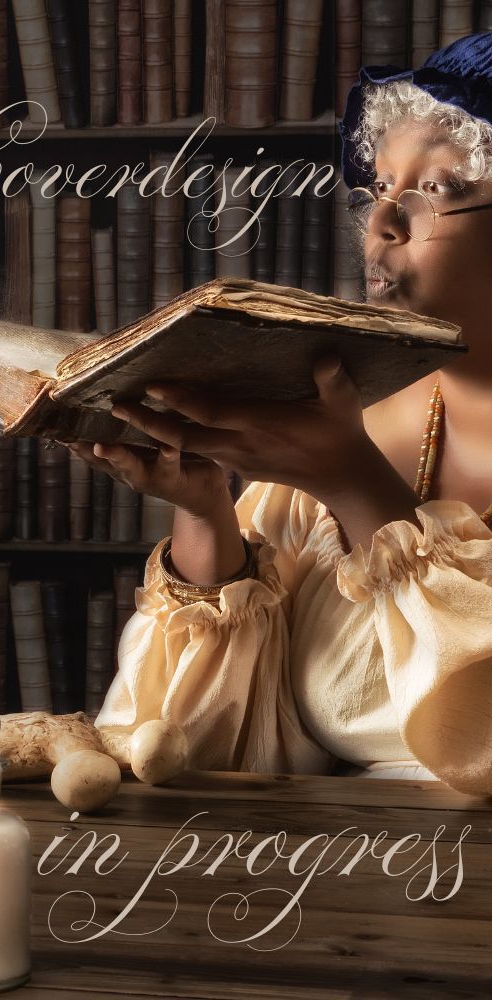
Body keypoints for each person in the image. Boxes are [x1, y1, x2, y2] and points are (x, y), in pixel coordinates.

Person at [71, 33, 492, 796]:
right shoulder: (336, 423)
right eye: (375, 191)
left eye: (436, 189)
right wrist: (206, 514)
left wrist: (358, 485)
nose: (381, 225)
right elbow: (208, 748)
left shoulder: (338, 450)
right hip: (331, 887)